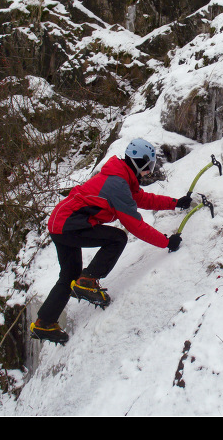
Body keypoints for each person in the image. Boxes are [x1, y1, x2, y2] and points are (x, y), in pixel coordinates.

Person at [30, 138, 192, 345]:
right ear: (140, 162)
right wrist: (166, 242)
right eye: (148, 166)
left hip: (61, 223)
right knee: (117, 238)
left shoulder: (120, 178)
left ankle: (45, 323)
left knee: (69, 274)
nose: (149, 172)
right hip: (68, 223)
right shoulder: (117, 182)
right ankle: (87, 281)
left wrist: (175, 203)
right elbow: (134, 225)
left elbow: (142, 199)